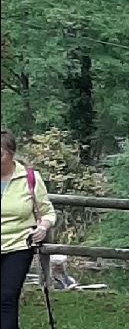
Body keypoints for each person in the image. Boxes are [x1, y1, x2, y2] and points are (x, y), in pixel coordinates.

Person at [0, 131, 55, 329]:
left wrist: (42, 227)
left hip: (18, 245)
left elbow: (48, 212)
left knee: (6, 296)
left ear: (11, 153)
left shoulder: (30, 178)